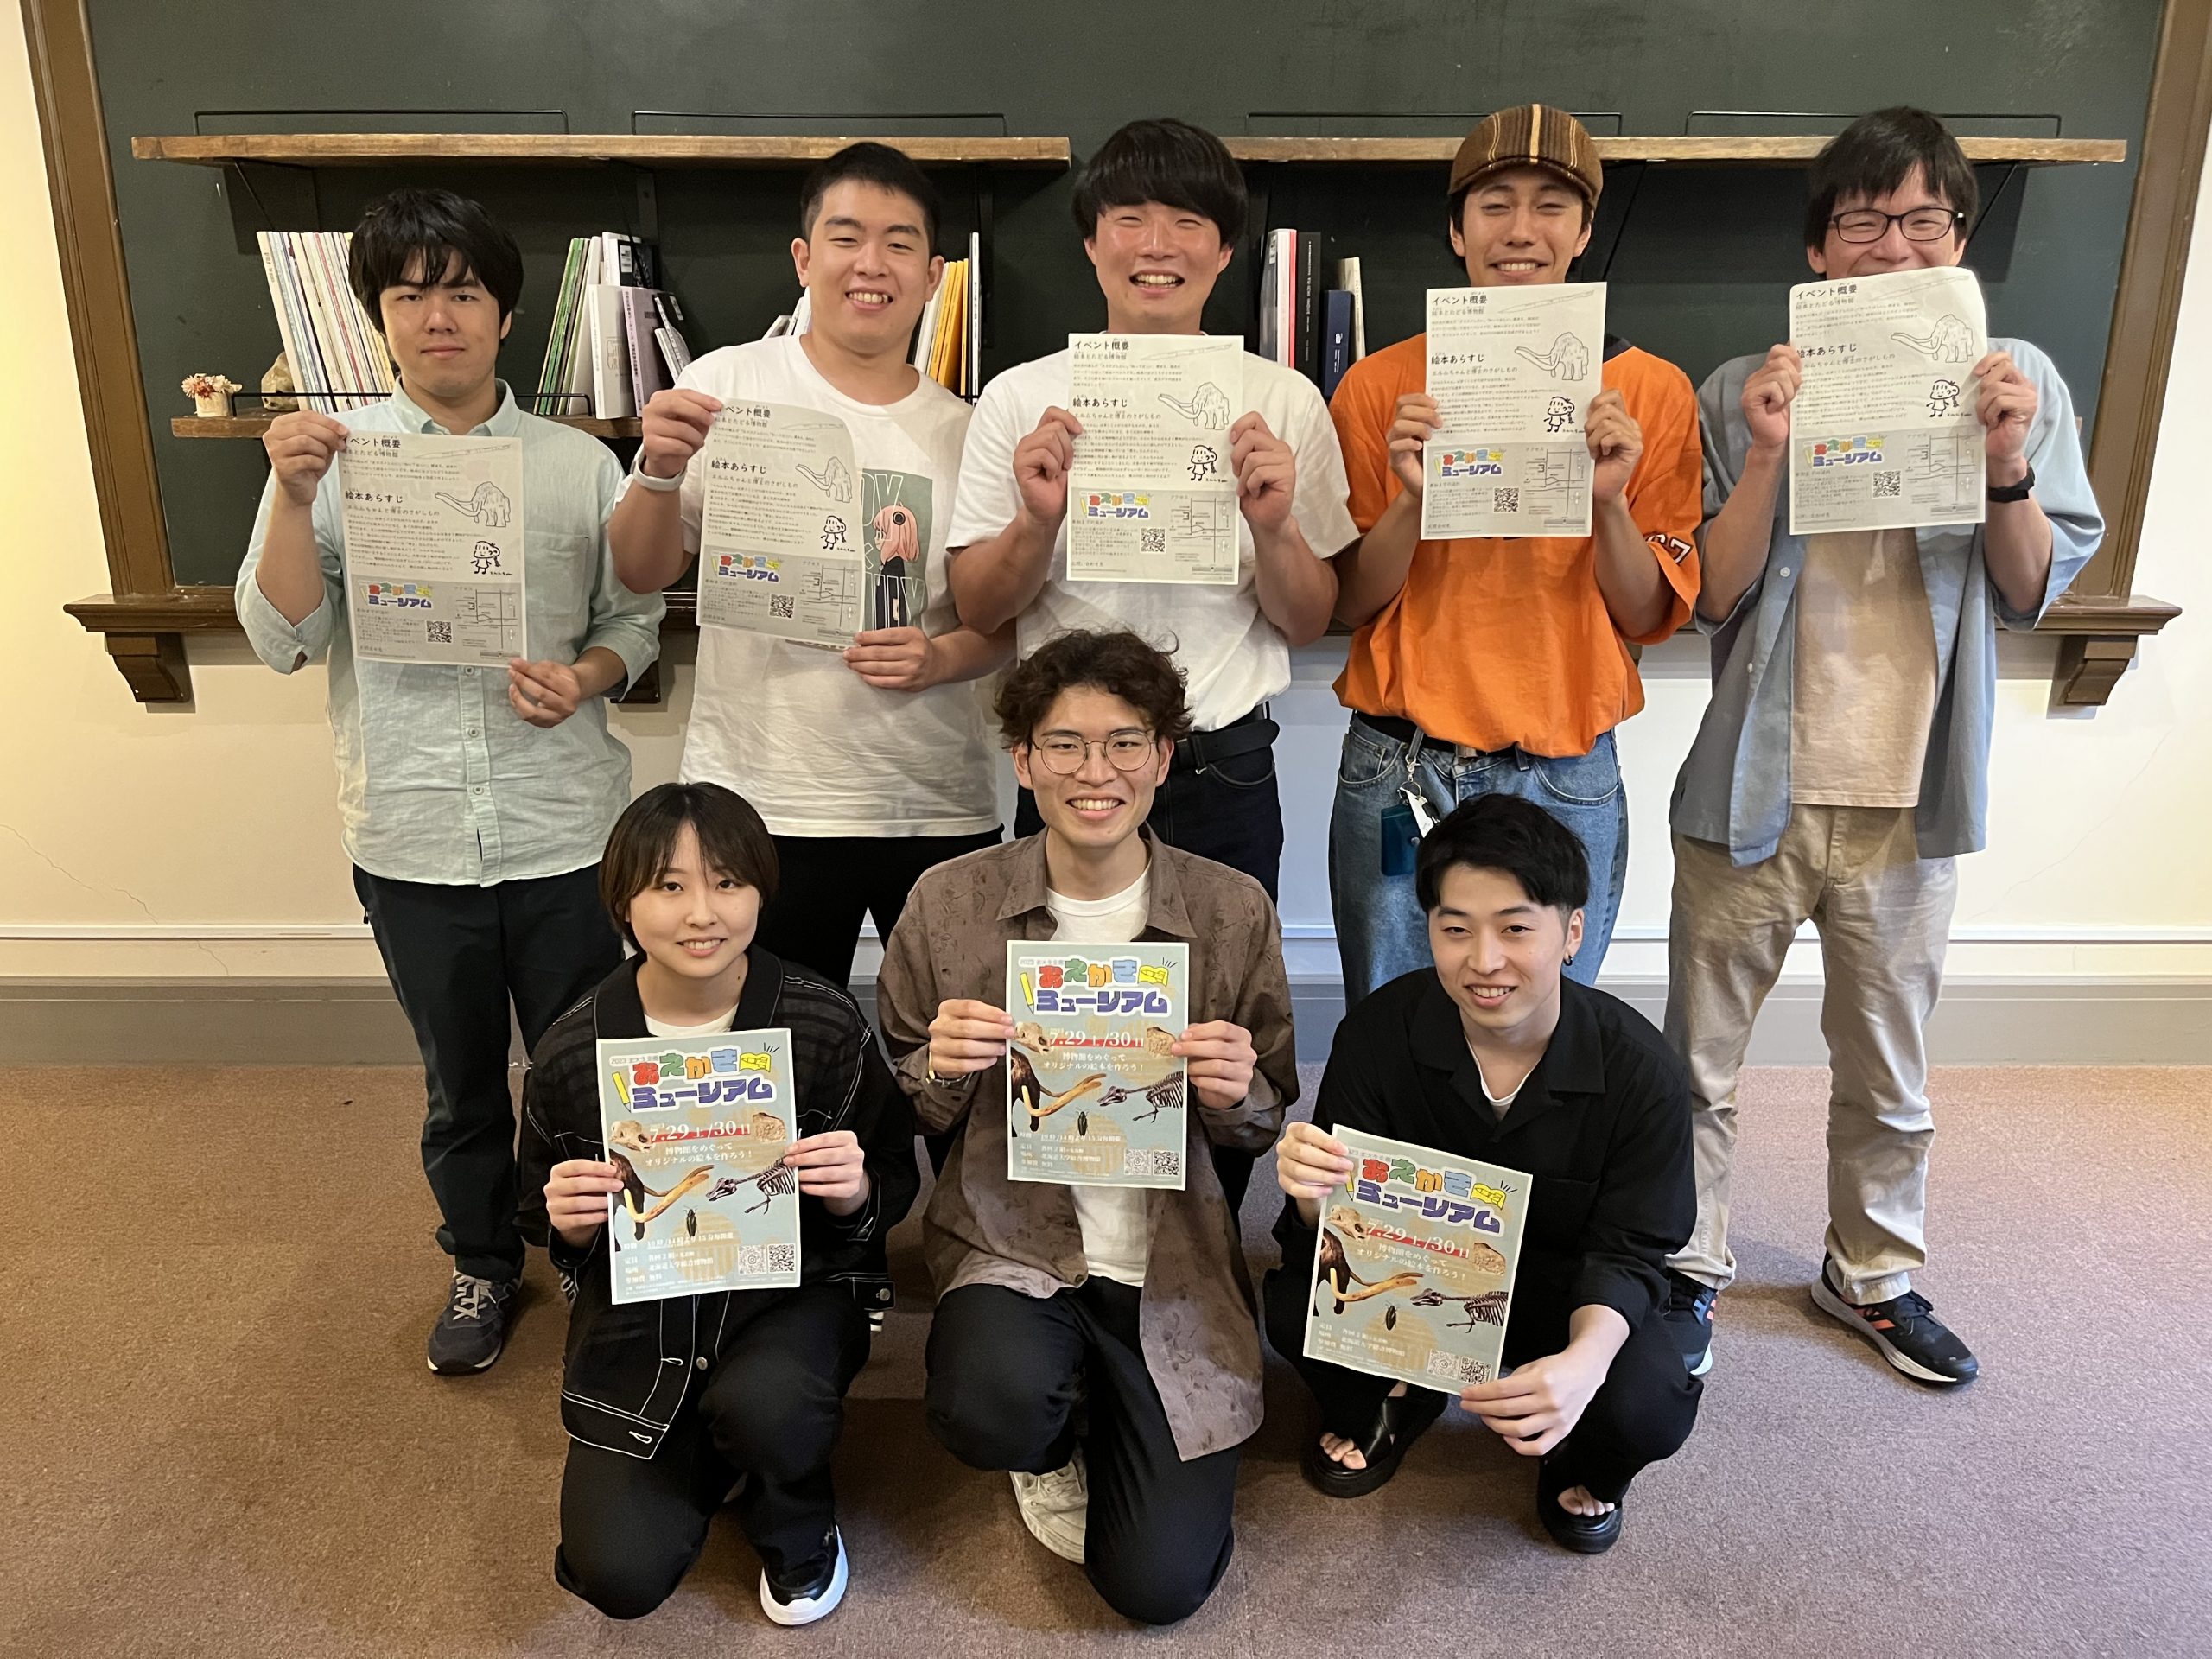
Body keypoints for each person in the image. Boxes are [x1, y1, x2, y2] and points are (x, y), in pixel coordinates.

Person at [1660, 107, 2102, 1388]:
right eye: (1864, 221)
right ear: (1819, 249)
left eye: (1925, 220)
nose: (1895, 246)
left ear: (1958, 240)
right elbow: (1711, 595)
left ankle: (1872, 1273)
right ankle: (1687, 1263)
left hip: (1912, 789)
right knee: (1697, 1063)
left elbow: (2030, 592)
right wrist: (1766, 451)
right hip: (1751, 781)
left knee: (1889, 1069)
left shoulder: (2018, 377)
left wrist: (2006, 461)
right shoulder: (1741, 386)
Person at [234, 188, 664, 1374]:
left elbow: (633, 621)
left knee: (586, 1065)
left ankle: (590, 1250)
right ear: (378, 317)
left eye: (463, 292)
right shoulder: (334, 462)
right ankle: (481, 1259)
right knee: (460, 1079)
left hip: (566, 826)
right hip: (412, 830)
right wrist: (292, 492)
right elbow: (281, 638)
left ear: (505, 315)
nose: (439, 317)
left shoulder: (579, 465)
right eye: (410, 295)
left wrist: (583, 677)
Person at [875, 629, 1296, 1625]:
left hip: (1171, 1263)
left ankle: (1117, 1396)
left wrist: (1235, 1090)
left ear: (1163, 758)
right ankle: (1051, 1435)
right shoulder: (949, 901)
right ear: (1023, 761)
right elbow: (901, 1104)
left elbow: (1265, 1115)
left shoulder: (1230, 909)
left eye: (1124, 743)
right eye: (1064, 745)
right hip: (1013, 1243)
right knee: (991, 1408)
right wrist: (939, 1065)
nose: (1094, 772)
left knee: (1156, 1585)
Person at [1325, 104, 1704, 1005]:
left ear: (1584, 232)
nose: (1521, 231)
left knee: (1547, 1026)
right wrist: (1412, 498)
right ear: (1458, 232)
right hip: (1403, 763)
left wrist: (1607, 502)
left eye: (1551, 206)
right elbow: (1346, 602)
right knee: (1395, 1021)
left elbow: (1648, 611)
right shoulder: (1381, 386)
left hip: (1564, 765)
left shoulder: (1650, 391)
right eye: (1494, 206)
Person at [610, 142, 1008, 992]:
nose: (871, 264)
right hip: (760, 799)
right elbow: (642, 571)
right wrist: (658, 469)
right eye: (846, 237)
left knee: (955, 1043)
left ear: (932, 275)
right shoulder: (726, 385)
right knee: (773, 1041)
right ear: (803, 258)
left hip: (932, 801)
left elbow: (1002, 625)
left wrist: (939, 658)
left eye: (899, 243)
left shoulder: (968, 431)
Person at [519, 782, 918, 1626]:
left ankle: (797, 1520)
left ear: (762, 891)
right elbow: (540, 1209)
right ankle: (718, 1448)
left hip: (792, 1295)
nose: (702, 912)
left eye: (728, 882)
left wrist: (856, 1191)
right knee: (616, 1573)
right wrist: (567, 1223)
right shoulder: (575, 1047)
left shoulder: (820, 1021)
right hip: (644, 1320)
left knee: (771, 1408)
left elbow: (891, 1175)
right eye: (669, 886)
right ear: (623, 901)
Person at [1268, 794, 1700, 1554]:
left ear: (1572, 933)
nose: (1485, 960)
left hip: (1561, 1295)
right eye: (1456, 929)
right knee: (1292, 1306)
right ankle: (1401, 1393)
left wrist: (1583, 1365)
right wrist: (1310, 1196)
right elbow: (1337, 1223)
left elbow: (1632, 1250)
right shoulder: (1378, 1033)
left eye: (1516, 928)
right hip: (1414, 1283)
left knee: (1646, 1405)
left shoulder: (1641, 1071)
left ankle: (1577, 1453)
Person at [944, 117, 1357, 905]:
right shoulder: (1020, 397)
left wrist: (1273, 527)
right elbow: (979, 606)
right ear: (1092, 243)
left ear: (1226, 250)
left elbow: (1307, 622)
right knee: (1069, 979)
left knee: (1229, 974)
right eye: (1129, 219)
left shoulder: (1285, 400)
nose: (1157, 246)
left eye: (1187, 222)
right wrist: (1036, 521)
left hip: (1223, 761)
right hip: (1070, 762)